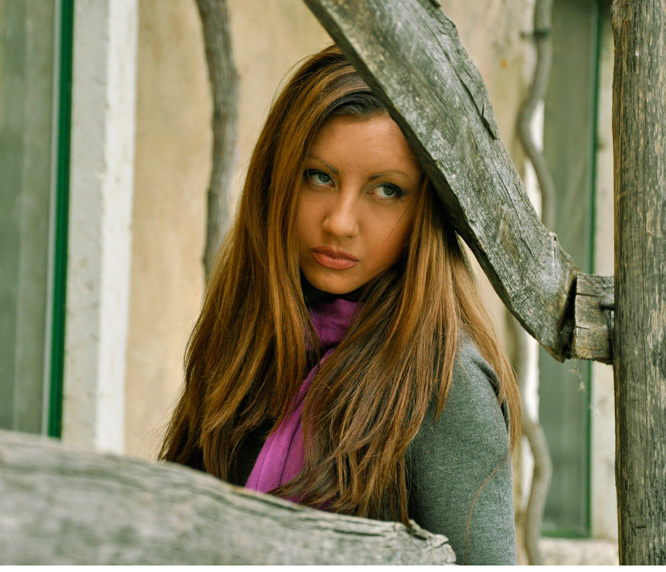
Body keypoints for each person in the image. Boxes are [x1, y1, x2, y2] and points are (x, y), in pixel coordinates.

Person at [159, 45, 522, 565]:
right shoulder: (247, 346)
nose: (340, 222)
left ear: (427, 209)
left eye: (387, 190)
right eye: (320, 177)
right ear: (278, 179)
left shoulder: (446, 383)